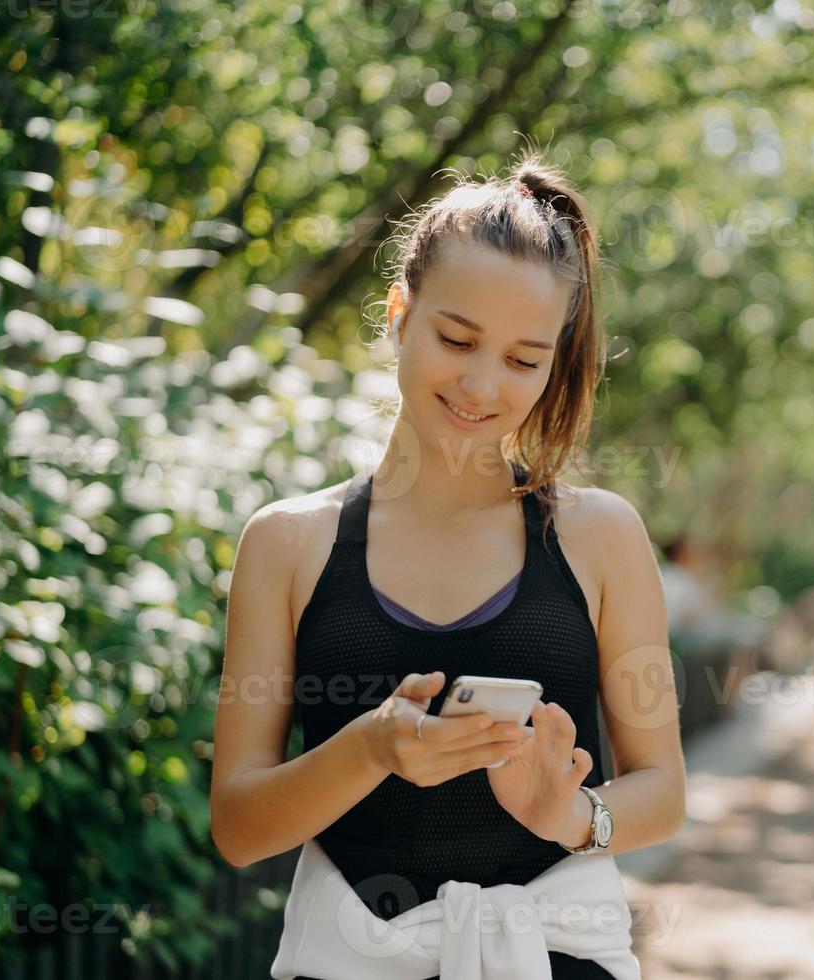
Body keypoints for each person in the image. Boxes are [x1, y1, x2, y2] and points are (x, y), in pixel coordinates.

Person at [209, 151, 687, 979]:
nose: (480, 383)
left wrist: (571, 814)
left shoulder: (599, 537)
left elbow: (664, 791)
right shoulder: (288, 542)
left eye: (522, 359)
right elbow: (239, 827)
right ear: (399, 311)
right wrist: (371, 751)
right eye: (456, 338)